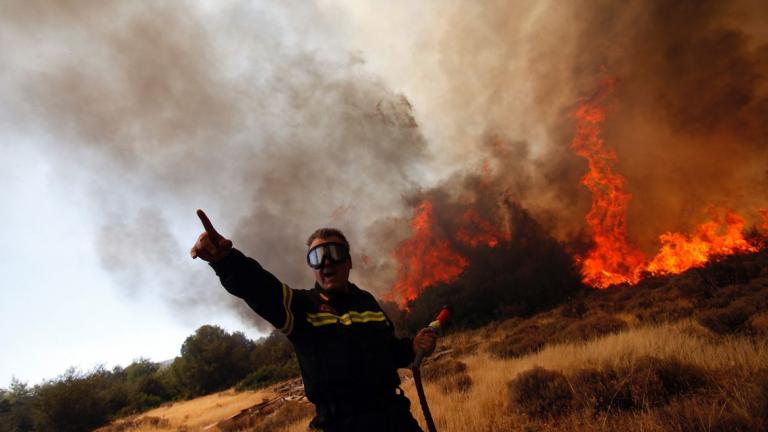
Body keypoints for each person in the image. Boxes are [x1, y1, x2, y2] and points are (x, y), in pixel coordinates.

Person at [190, 209, 437, 432]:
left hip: (395, 418)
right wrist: (226, 261)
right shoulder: (301, 307)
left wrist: (411, 348)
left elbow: (389, 351)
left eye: (335, 252)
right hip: (340, 424)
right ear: (313, 267)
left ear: (348, 262)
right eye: (318, 256)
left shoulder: (367, 302)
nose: (327, 261)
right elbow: (261, 289)